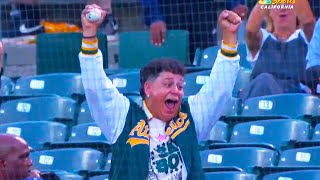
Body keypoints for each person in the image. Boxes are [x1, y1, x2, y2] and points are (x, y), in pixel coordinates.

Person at [80, 3, 241, 179]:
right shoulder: (123, 117)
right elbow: (95, 87)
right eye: (168, 84)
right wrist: (89, 35)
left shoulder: (190, 116)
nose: (176, 91)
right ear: (148, 89)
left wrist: (230, 37)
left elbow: (219, 90)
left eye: (180, 86)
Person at [240, 0, 316, 101]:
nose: (283, 8)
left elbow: (308, 23)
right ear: (269, 11)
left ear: (297, 11)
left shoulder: (308, 39)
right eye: (277, 4)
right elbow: (250, 31)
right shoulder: (262, 40)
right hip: (260, 99)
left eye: (288, 4)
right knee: (264, 81)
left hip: (295, 104)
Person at [141, 0, 248, 62]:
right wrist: (155, 17)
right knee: (171, 64)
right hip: (169, 9)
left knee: (204, 59)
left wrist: (235, 4)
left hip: (202, 9)